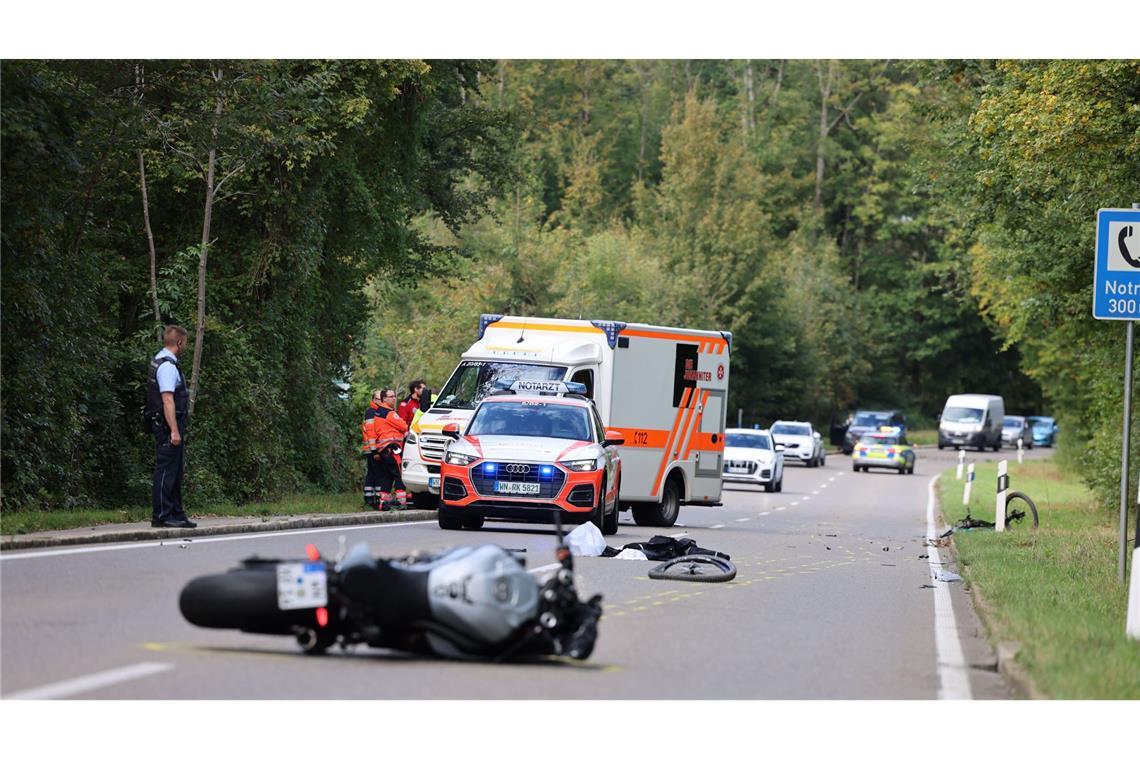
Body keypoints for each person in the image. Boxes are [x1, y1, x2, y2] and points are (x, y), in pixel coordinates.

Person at [146, 325, 197, 528]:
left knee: (175, 471)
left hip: (168, 424)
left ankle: (176, 513)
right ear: (179, 342)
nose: (185, 346)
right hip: (168, 426)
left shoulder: (161, 360)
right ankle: (162, 515)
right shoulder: (167, 366)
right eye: (185, 343)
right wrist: (174, 430)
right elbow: (167, 399)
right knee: (166, 471)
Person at [373, 388, 410, 509]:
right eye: (391, 396)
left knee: (387, 476)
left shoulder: (379, 411)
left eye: (394, 396)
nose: (394, 398)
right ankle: (401, 502)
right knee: (399, 474)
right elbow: (404, 426)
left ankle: (383, 503)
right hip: (392, 447)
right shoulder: (390, 413)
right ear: (384, 399)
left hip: (383, 449)